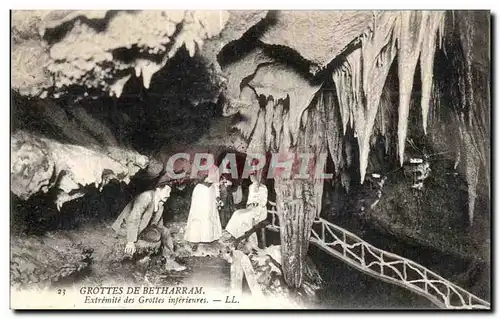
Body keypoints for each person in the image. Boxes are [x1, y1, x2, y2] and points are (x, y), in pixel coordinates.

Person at [111, 181, 186, 271]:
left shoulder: (160, 204)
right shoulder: (146, 197)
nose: (169, 195)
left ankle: (170, 261)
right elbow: (133, 219)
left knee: (164, 232)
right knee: (157, 236)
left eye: (169, 192)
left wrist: (162, 234)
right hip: (125, 227)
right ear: (158, 189)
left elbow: (158, 225)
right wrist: (130, 242)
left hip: (142, 228)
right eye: (167, 191)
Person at [225, 173, 268, 248]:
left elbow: (263, 203)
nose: (251, 178)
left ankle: (240, 238)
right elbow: (249, 201)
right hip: (251, 209)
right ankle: (233, 235)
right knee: (237, 213)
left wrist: (257, 216)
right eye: (251, 177)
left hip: (260, 211)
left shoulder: (263, 188)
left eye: (253, 176)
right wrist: (247, 208)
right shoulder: (251, 187)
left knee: (243, 216)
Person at [184, 166, 223, 243]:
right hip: (200, 191)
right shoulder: (199, 166)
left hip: (210, 192)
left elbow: (216, 183)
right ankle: (195, 238)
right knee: (199, 213)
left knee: (209, 213)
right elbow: (194, 179)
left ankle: (208, 237)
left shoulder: (215, 169)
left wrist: (217, 196)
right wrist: (202, 175)